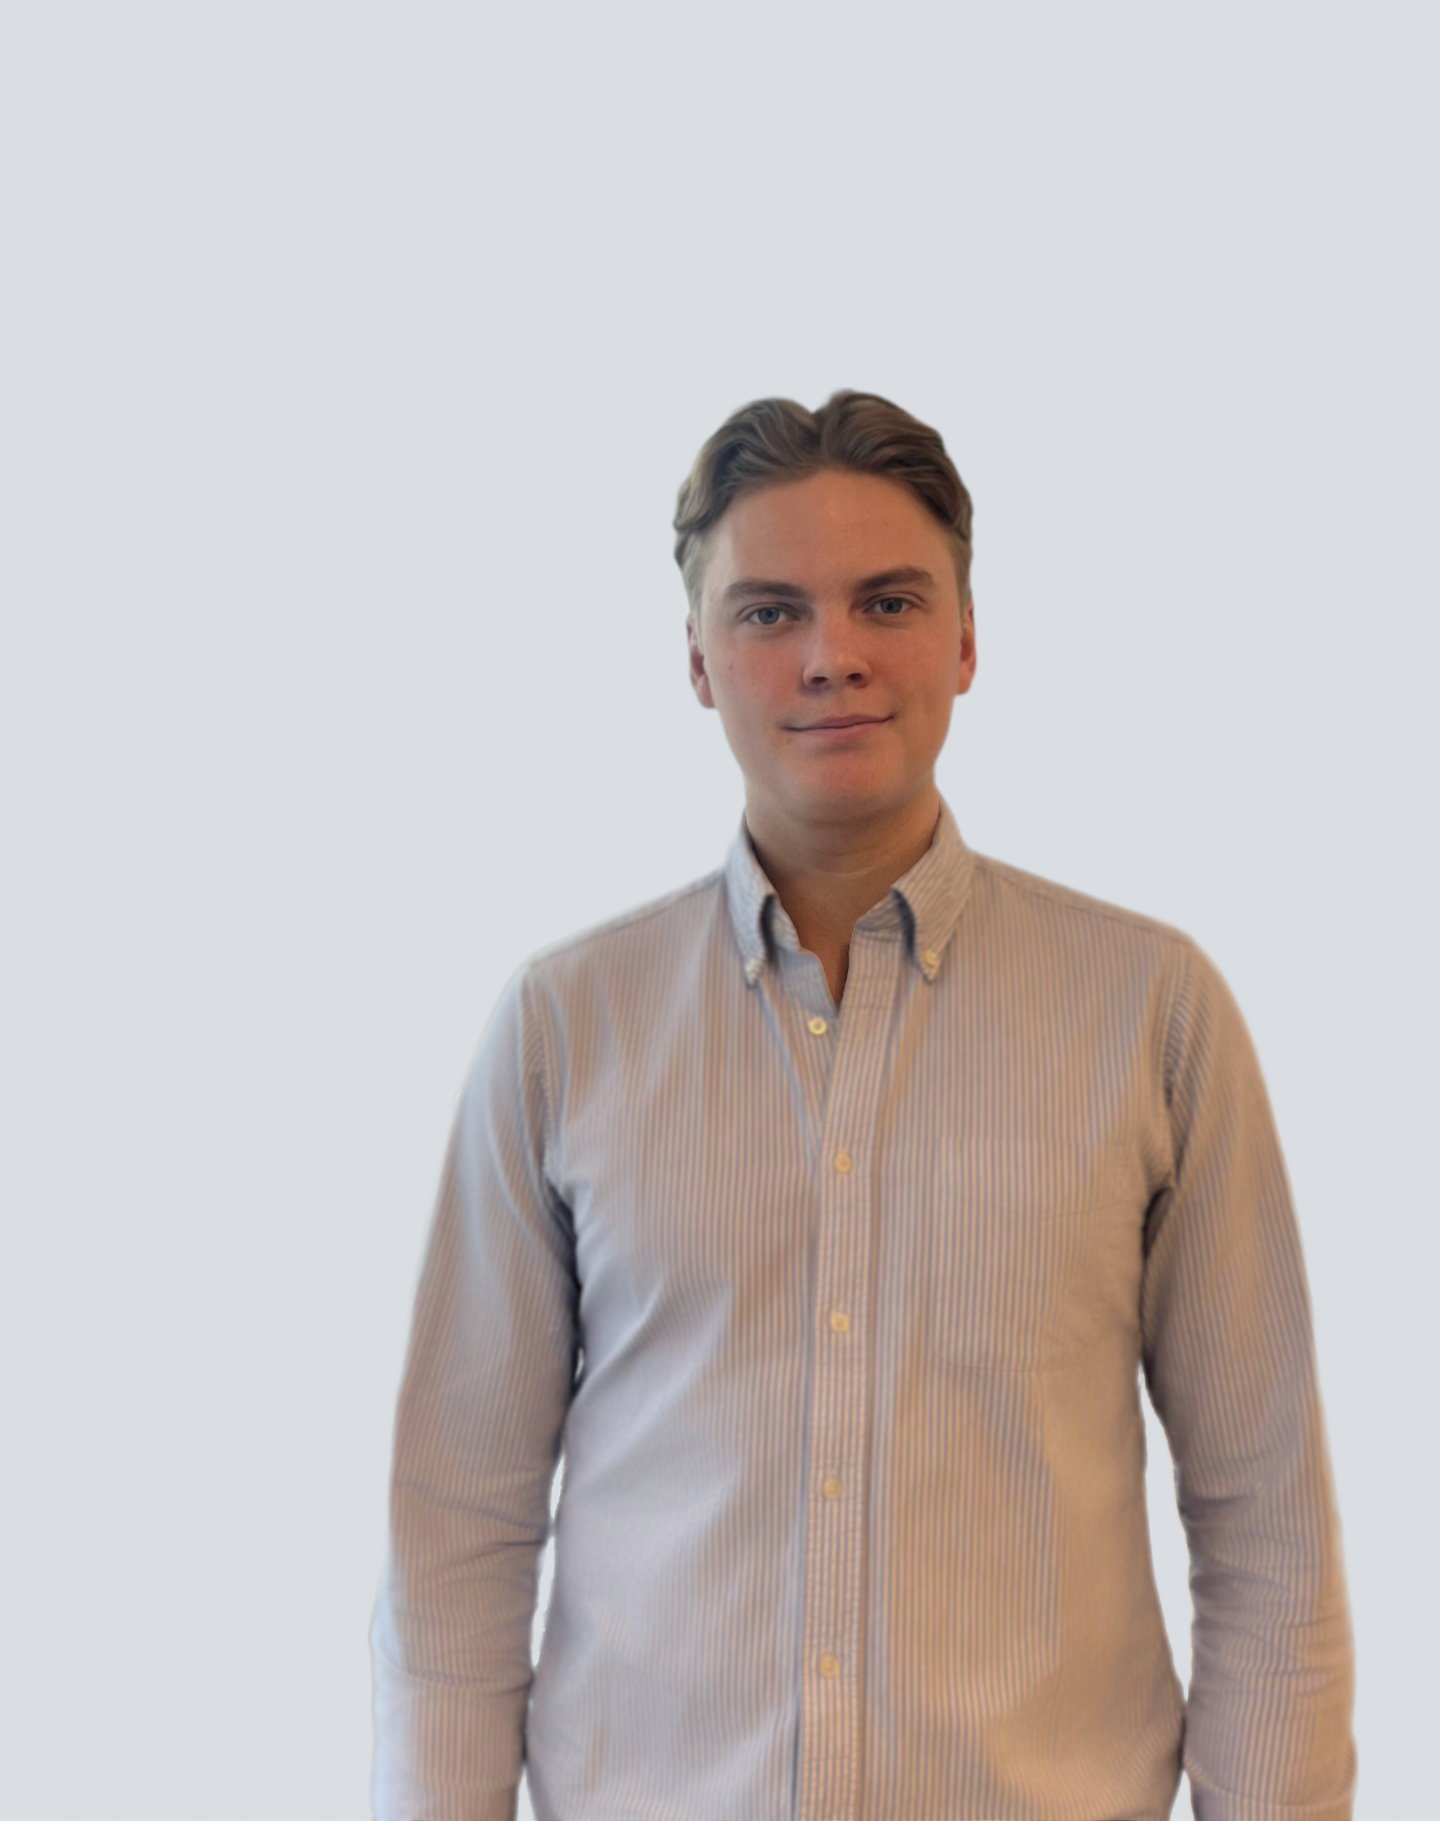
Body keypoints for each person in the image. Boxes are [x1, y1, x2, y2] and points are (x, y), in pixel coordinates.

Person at [369, 389, 1357, 1821]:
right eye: (769, 612)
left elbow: (1264, 1518)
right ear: (699, 663)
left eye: (886, 600)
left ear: (965, 638)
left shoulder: (1152, 1012)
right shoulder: (562, 1027)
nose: (832, 656)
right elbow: (460, 1527)